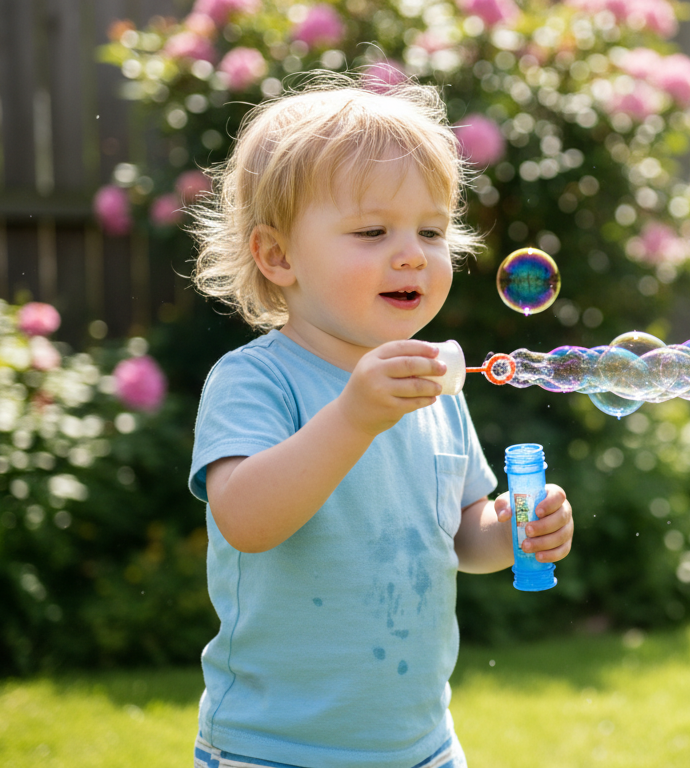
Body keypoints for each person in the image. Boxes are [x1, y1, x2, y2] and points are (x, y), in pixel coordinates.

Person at [185, 75, 575, 768]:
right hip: (276, 750)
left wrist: (515, 529)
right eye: (372, 231)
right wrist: (353, 417)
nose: (412, 253)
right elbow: (245, 520)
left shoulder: (437, 389)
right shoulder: (258, 380)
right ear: (278, 256)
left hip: (421, 747)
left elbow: (462, 534)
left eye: (431, 230)